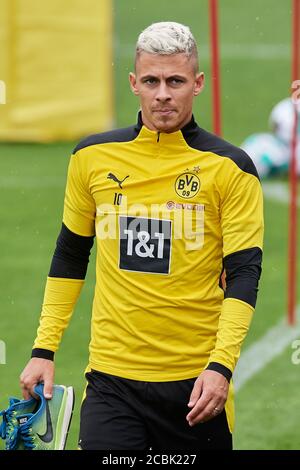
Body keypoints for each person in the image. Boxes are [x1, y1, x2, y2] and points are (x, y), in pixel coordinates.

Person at [20, 21, 264, 450]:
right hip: (113, 382)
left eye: (175, 81)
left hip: (195, 386)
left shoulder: (231, 168)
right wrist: (44, 351)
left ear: (198, 83)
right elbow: (71, 256)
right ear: (134, 83)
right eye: (151, 81)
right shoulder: (91, 157)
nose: (163, 94)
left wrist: (221, 367)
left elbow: (244, 274)